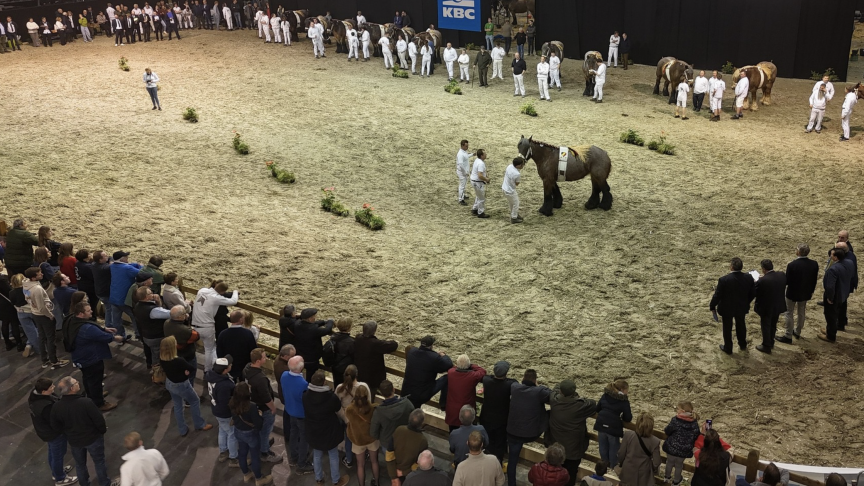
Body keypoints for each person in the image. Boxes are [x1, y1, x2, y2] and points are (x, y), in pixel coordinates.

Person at [50, 376, 113, 486]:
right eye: (75, 382)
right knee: (99, 462)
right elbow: (98, 420)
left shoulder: (57, 407)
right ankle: (104, 483)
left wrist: (67, 433)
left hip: (75, 441)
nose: (78, 382)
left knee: (80, 465)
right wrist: (101, 431)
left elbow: (56, 426)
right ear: (71, 389)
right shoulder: (86, 402)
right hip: (93, 438)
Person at [29, 378, 79, 486]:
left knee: (52, 452)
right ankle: (60, 479)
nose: (54, 388)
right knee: (58, 455)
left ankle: (56, 472)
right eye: (51, 387)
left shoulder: (35, 396)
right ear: (43, 391)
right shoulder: (45, 406)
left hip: (45, 432)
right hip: (54, 433)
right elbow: (55, 420)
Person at [304, 370, 350, 486]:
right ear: (324, 382)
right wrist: (347, 421)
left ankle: (319, 479)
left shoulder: (305, 395)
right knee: (333, 454)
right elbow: (340, 412)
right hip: (329, 431)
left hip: (313, 430)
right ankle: (336, 480)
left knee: (317, 454)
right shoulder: (331, 397)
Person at [160, 336, 213, 436]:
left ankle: (182, 429)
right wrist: (186, 373)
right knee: (195, 401)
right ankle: (199, 424)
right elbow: (191, 368)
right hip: (181, 385)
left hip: (170, 384)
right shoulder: (179, 361)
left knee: (177, 405)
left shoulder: (162, 358)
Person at [547, 380, 596, 485]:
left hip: (556, 448)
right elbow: (592, 403)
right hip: (573, 451)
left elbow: (554, 390)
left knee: (554, 472)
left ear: (561, 391)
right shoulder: (579, 406)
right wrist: (577, 397)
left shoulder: (554, 400)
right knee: (571, 474)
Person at [507, 369, 551, 486]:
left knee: (512, 460)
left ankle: (511, 484)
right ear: (535, 380)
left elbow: (512, 382)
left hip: (513, 431)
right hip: (530, 434)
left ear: (523, 378)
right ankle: (548, 441)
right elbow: (551, 394)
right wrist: (540, 386)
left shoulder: (515, 387)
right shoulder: (539, 391)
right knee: (550, 413)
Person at [774, 244, 820, 343]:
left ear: (798, 252)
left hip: (793, 292)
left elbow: (788, 281)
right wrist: (811, 291)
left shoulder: (792, 265)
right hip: (805, 292)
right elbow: (814, 279)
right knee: (801, 311)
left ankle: (788, 335)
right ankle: (798, 332)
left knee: (789, 312)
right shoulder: (814, 264)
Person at [229, 383, 273, 486]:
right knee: (255, 456)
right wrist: (260, 415)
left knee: (242, 453)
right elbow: (258, 423)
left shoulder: (231, 402)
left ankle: (246, 474)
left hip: (238, 431)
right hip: (250, 434)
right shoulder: (251, 406)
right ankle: (259, 478)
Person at [370, 379, 414, 479]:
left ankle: (395, 479)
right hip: (405, 441)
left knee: (391, 465)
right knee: (405, 463)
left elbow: (373, 433)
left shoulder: (379, 412)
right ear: (394, 389)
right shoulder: (407, 404)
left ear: (381, 393)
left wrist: (381, 437)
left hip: (388, 443)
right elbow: (414, 419)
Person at [710, 257, 755, 354]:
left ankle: (728, 347)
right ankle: (742, 344)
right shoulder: (748, 277)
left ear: (731, 267)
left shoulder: (724, 280)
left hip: (727, 308)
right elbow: (753, 292)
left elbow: (717, 295)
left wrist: (712, 306)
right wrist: (747, 301)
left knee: (727, 327)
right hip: (741, 306)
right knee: (741, 325)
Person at [24, 267, 68, 369]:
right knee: (50, 338)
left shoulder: (26, 284)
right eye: (39, 274)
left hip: (35, 314)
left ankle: (44, 360)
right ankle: (54, 361)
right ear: (34, 277)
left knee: (42, 336)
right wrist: (50, 315)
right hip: (43, 315)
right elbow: (41, 307)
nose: (42, 275)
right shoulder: (37, 289)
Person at [191, 281, 238, 372]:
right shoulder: (216, 298)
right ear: (222, 292)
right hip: (207, 326)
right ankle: (208, 370)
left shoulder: (202, 290)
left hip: (195, 324)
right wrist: (235, 292)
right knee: (210, 349)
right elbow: (233, 301)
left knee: (202, 347)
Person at [244, 348, 281, 463]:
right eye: (264, 357)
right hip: (264, 408)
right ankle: (264, 452)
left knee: (259, 429)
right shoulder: (260, 379)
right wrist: (273, 408)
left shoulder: (246, 369)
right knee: (265, 430)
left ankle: (262, 444)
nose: (266, 358)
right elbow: (265, 397)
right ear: (259, 361)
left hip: (253, 405)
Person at [477, 361, 515, 463]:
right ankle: (498, 464)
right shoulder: (509, 384)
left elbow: (485, 376)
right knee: (500, 444)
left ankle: (485, 462)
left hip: (487, 418)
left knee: (487, 441)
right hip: (501, 420)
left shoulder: (487, 381)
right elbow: (515, 382)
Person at [205, 357, 239, 467]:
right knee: (232, 433)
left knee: (222, 430)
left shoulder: (211, 375)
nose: (231, 365)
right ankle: (233, 458)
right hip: (225, 413)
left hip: (216, 409)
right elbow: (226, 403)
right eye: (229, 365)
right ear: (225, 370)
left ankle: (223, 451)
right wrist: (234, 415)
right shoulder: (224, 385)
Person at [281, 356, 313, 474]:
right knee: (304, 438)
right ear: (301, 367)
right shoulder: (303, 384)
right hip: (301, 414)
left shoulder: (284, 375)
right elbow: (306, 401)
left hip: (290, 410)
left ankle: (293, 456)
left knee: (293, 433)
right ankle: (302, 463)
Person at [402, 335, 452, 409]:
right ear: (431, 346)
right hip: (423, 393)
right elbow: (448, 364)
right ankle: (443, 404)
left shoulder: (412, 352)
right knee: (448, 377)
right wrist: (444, 356)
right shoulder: (434, 357)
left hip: (407, 391)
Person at [593, 378, 631, 472]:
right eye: (627, 390)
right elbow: (628, 418)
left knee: (603, 448)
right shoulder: (623, 400)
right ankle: (612, 469)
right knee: (614, 450)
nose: (627, 392)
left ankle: (603, 469)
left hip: (601, 425)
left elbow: (597, 409)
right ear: (622, 390)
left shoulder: (605, 395)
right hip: (613, 428)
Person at [354, 320, 398, 398]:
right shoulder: (376, 344)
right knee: (369, 396)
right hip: (372, 378)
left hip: (360, 374)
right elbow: (393, 345)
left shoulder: (358, 338)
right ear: (374, 331)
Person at [336, 365, 368, 469]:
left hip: (347, 419)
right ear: (357, 375)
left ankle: (349, 460)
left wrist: (345, 418)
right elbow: (369, 403)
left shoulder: (340, 388)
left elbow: (336, 405)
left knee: (348, 439)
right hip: (360, 418)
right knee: (361, 436)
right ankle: (364, 454)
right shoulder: (363, 387)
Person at [662, 401, 700, 486]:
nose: (676, 410)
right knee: (679, 465)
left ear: (682, 411)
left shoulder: (675, 420)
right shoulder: (694, 423)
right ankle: (676, 482)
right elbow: (697, 435)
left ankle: (667, 477)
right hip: (684, 451)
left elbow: (668, 430)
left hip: (672, 448)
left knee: (669, 462)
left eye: (677, 409)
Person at [753, 259, 787, 354]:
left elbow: (755, 292)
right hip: (778, 305)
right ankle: (771, 341)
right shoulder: (781, 275)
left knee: (766, 326)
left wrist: (756, 282)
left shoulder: (762, 281)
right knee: (773, 324)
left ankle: (766, 345)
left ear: (763, 269)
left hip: (766, 307)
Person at [444, 355, 486, 430]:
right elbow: (482, 371)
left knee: (453, 432)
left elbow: (453, 368)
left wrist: (460, 365)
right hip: (467, 412)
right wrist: (471, 365)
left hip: (452, 411)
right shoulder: (473, 376)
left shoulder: (450, 372)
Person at [133, 287, 170, 370]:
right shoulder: (152, 310)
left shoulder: (138, 306)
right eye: (150, 293)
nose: (153, 294)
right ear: (146, 297)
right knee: (157, 358)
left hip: (146, 335)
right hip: (156, 336)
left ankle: (154, 369)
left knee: (154, 354)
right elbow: (169, 314)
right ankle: (157, 376)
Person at [293, 307, 334, 380]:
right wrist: (330, 321)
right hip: (312, 358)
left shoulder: (297, 324)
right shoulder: (314, 330)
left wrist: (323, 322)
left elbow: (313, 324)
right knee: (311, 377)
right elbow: (327, 330)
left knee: (297, 374)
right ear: (309, 319)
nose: (315, 318)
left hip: (300, 355)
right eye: (313, 316)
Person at [217, 310, 257, 383]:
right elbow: (253, 349)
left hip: (229, 364)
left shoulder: (223, 334)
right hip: (244, 365)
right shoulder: (248, 333)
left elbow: (219, 351)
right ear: (241, 320)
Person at [819, 247, 850, 343]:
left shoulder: (833, 269)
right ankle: (830, 330)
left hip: (834, 296)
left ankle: (830, 336)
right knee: (835, 314)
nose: (830, 256)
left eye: (832, 255)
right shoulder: (847, 264)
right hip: (843, 293)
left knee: (830, 315)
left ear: (836, 258)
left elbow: (830, 287)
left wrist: (829, 298)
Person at [163, 305, 199, 386]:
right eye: (184, 313)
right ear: (179, 317)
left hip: (174, 354)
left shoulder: (166, 323)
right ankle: (189, 391)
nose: (186, 314)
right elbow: (197, 336)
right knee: (190, 374)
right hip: (187, 356)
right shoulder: (184, 330)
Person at [392, 409, 429, 483]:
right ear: (421, 423)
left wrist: (393, 475)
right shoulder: (423, 441)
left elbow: (389, 453)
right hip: (410, 474)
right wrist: (404, 472)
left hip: (395, 469)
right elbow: (419, 463)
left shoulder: (399, 429)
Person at [328, 317, 355, 388]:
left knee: (337, 385)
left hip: (335, 367)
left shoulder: (333, 338)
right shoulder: (351, 342)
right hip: (346, 369)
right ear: (349, 327)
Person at [470, 150, 491, 218]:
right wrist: (486, 179)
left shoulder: (477, 160)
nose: (486, 154)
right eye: (485, 154)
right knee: (481, 198)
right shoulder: (481, 164)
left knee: (478, 196)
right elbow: (480, 175)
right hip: (477, 182)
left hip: (474, 181)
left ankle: (475, 209)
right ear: (481, 155)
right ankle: (480, 212)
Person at [455, 140, 472, 206]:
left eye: (467, 146)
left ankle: (463, 195)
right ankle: (460, 199)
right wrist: (465, 172)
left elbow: (466, 156)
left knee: (463, 184)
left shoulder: (464, 152)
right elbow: (461, 164)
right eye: (466, 146)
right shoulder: (460, 154)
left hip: (464, 172)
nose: (467, 147)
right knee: (462, 185)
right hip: (462, 172)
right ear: (462, 145)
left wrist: (472, 154)